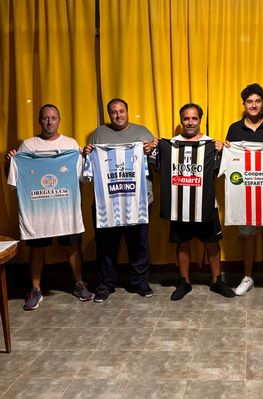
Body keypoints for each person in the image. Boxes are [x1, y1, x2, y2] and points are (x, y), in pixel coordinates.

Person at [5, 104, 92, 310]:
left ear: (59, 120)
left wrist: (85, 157)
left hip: (66, 209)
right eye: (45, 118)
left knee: (72, 246)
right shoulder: (28, 146)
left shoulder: (71, 145)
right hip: (38, 211)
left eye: (53, 118)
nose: (49, 122)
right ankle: (35, 289)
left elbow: (84, 177)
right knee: (37, 249)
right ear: (39, 121)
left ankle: (79, 283)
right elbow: (13, 180)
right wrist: (10, 161)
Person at [151, 103, 235, 301]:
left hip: (206, 204)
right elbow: (153, 164)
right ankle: (184, 281)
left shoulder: (211, 144)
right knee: (182, 243)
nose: (190, 122)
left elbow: (225, 170)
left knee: (212, 242)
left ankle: (217, 280)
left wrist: (223, 151)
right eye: (186, 118)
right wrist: (153, 149)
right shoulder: (170, 144)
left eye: (194, 118)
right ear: (181, 121)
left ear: (200, 120)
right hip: (178, 204)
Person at [84, 98, 154, 302]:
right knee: (106, 246)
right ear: (109, 114)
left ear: (127, 111)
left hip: (138, 200)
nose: (118, 115)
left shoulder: (142, 132)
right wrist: (86, 154)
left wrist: (151, 151)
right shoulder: (98, 134)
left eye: (122, 111)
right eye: (114, 112)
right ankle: (105, 285)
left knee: (139, 245)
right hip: (107, 201)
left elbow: (157, 163)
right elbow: (88, 171)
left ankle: (140, 282)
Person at [225, 83, 263, 298]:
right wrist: (224, 149)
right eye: (250, 101)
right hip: (244, 192)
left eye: (257, 101)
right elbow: (230, 158)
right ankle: (247, 277)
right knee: (247, 236)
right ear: (244, 104)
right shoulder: (234, 128)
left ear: (262, 103)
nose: (254, 105)